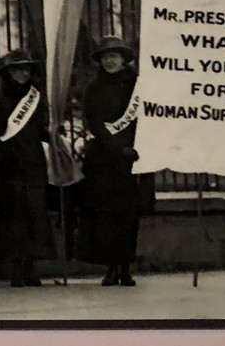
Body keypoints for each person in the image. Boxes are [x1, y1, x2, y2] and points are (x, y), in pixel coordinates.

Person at [80, 36, 154, 286]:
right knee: (106, 216)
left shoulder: (139, 86)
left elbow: (146, 118)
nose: (109, 61)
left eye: (114, 56)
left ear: (124, 59)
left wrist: (133, 147)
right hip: (104, 159)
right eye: (105, 56)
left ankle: (125, 267)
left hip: (132, 159)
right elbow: (93, 121)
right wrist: (114, 145)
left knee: (128, 217)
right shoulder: (94, 88)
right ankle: (111, 267)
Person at [0, 49, 57, 287]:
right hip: (8, 165)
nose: (23, 74)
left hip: (33, 163)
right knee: (14, 218)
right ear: (8, 72)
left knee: (35, 216)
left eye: (27, 69)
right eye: (18, 69)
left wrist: (54, 138)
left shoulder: (36, 99)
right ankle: (16, 267)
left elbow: (41, 129)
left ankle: (30, 267)